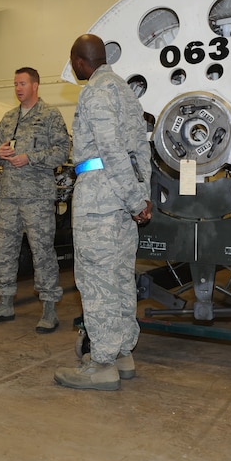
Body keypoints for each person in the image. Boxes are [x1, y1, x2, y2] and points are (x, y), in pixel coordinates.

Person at [54, 34, 152, 391]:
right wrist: (140, 197)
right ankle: (123, 352)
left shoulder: (95, 91)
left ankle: (103, 363)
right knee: (121, 275)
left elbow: (109, 150)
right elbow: (141, 149)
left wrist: (132, 199)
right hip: (124, 195)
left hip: (101, 195)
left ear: (81, 61)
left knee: (97, 278)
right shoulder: (125, 90)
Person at [0, 67, 70, 333]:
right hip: (8, 196)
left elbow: (62, 152)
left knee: (42, 250)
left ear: (35, 86)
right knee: (5, 250)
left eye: (22, 83)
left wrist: (30, 157)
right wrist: (1, 152)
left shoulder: (50, 115)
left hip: (37, 197)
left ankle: (49, 308)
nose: (18, 88)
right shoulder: (8, 118)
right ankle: (5, 303)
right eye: (15, 84)